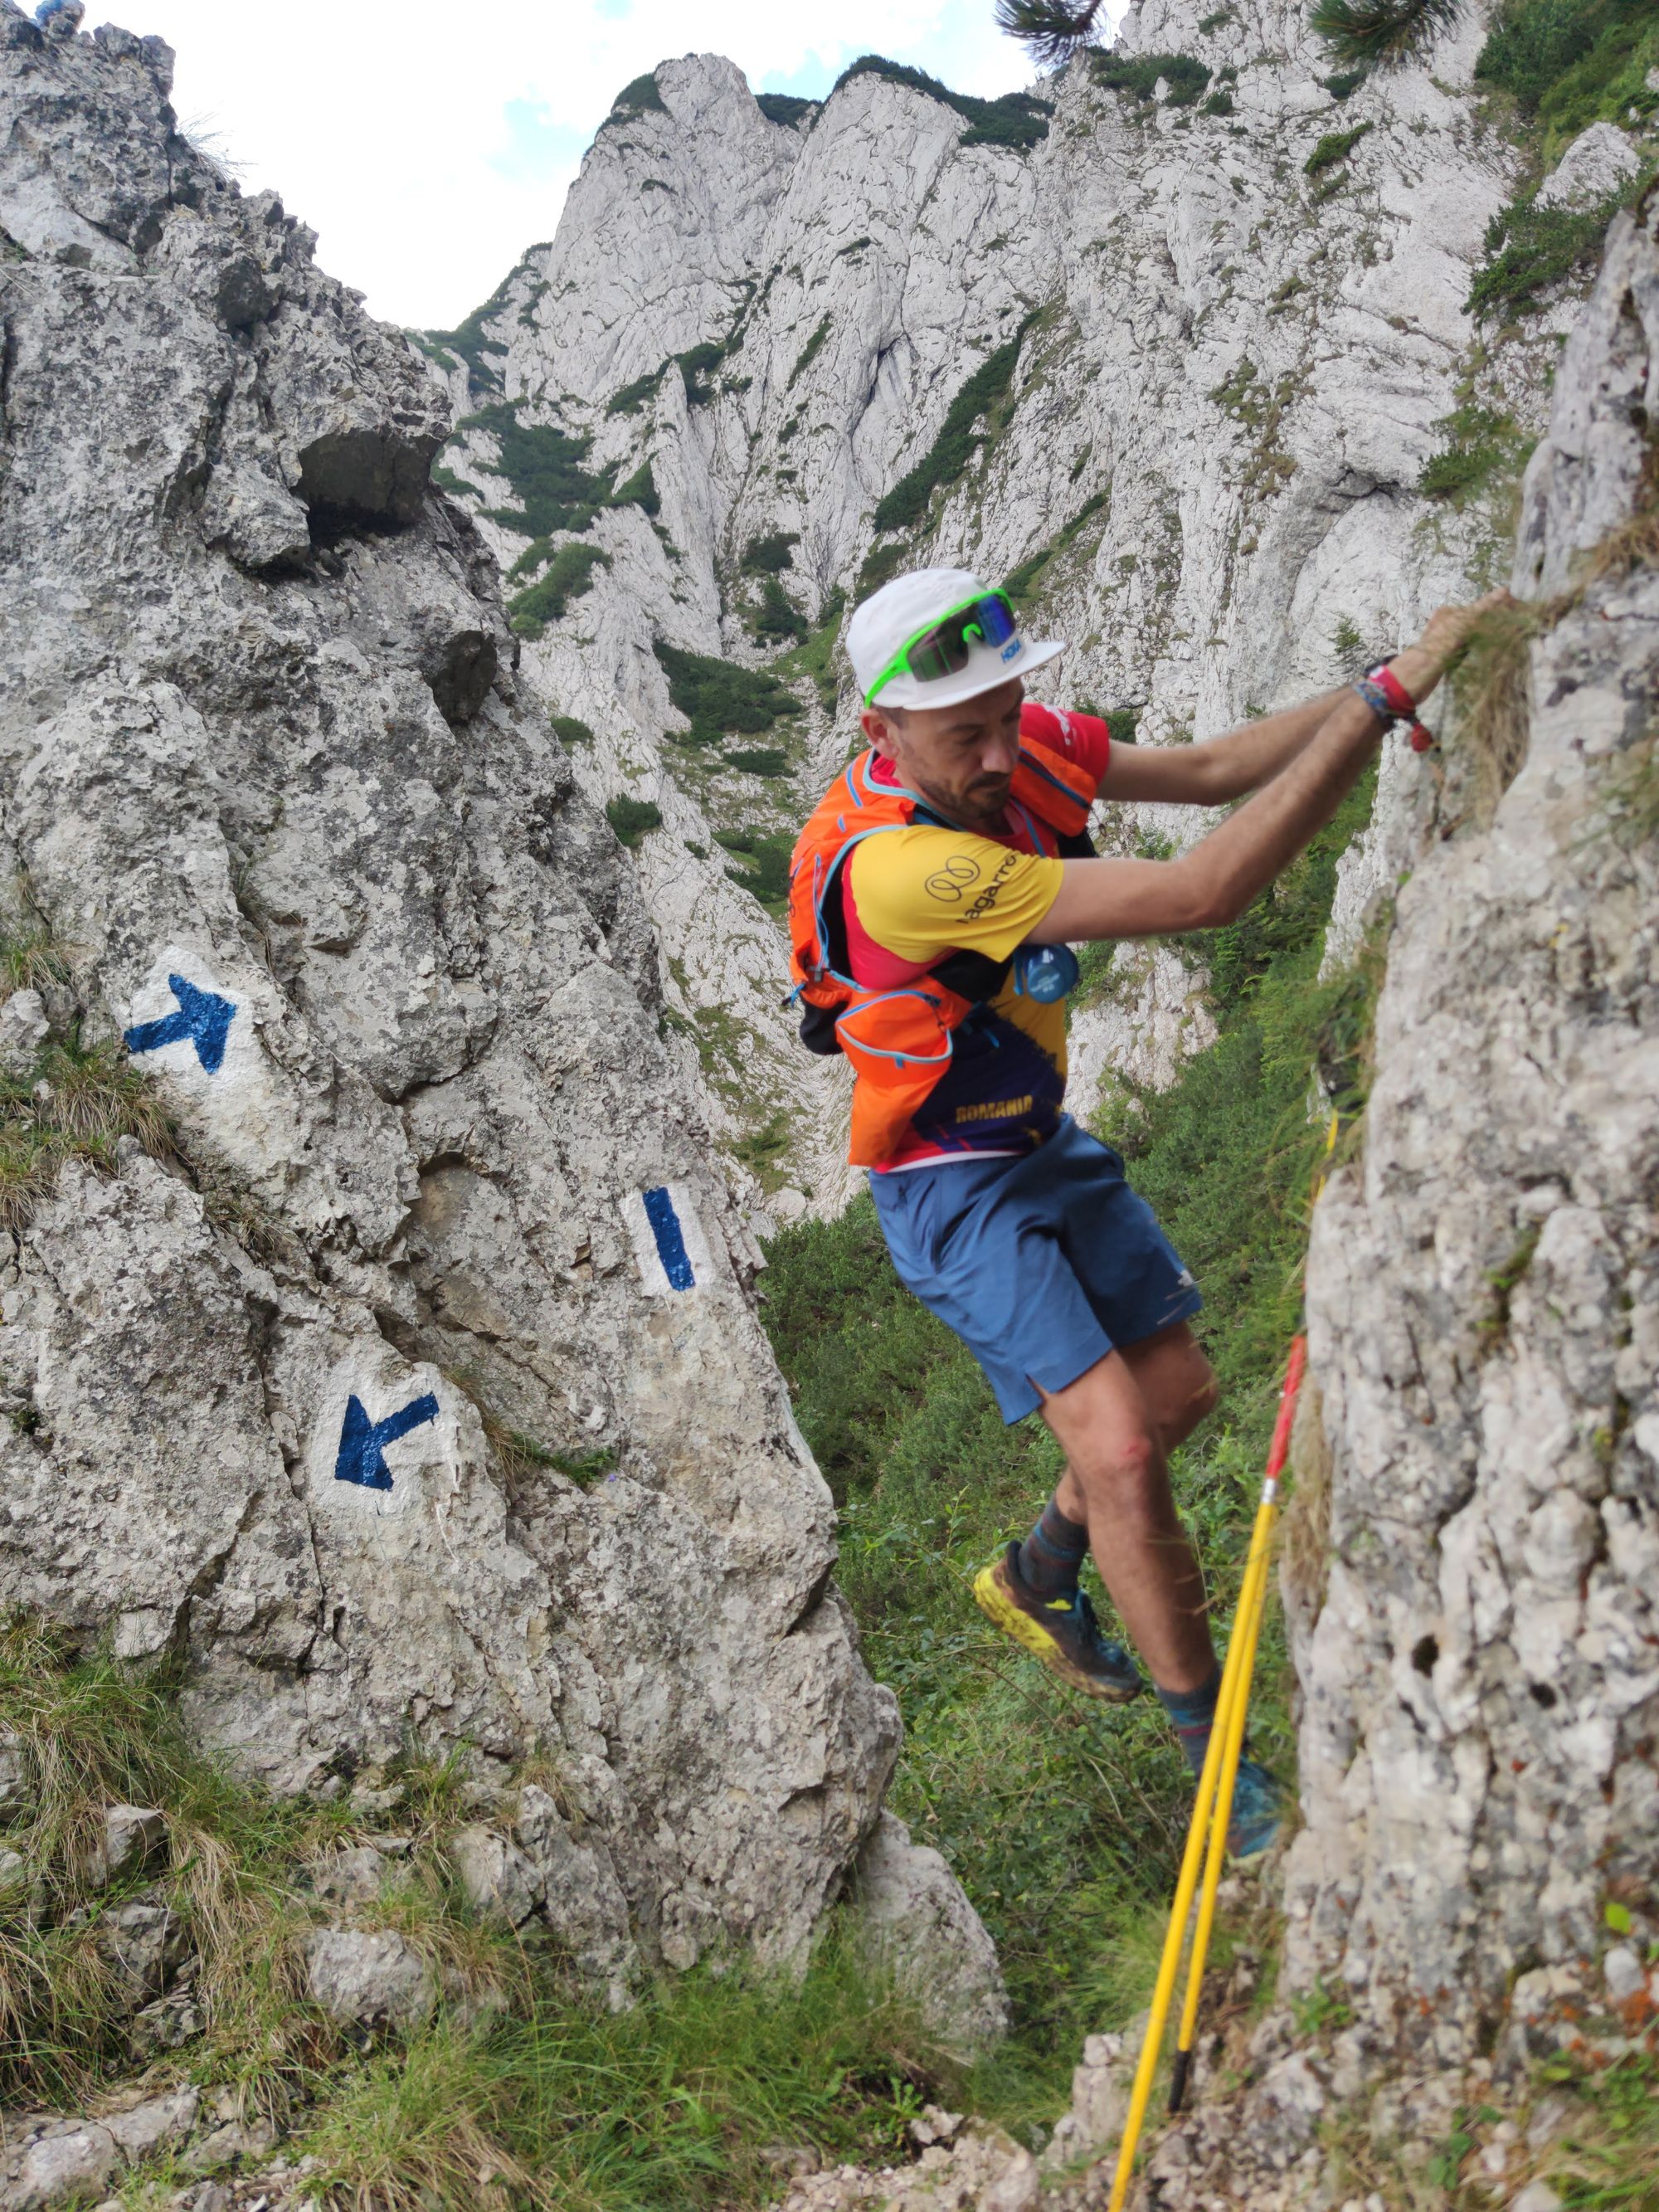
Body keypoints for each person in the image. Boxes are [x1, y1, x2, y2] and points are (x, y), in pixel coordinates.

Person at [787, 566, 1500, 1856]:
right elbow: (1198, 894)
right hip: (948, 1186)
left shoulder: (1004, 746)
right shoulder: (901, 870)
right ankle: (1219, 1774)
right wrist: (1387, 702)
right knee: (1119, 1446)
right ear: (879, 733)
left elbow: (1221, 767)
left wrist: (1367, 674)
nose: (1006, 751)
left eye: (1013, 711)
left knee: (1178, 1402)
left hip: (1036, 1138)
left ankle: (1040, 1571)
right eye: (968, 734)